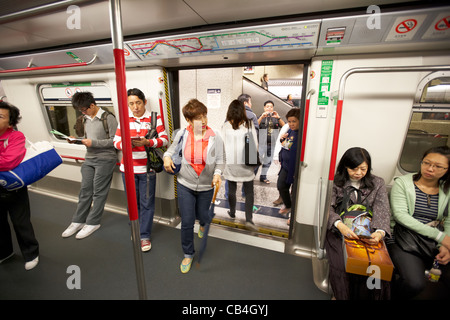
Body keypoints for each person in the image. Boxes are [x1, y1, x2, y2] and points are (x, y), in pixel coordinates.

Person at [163, 99, 224, 273]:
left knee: (203, 215)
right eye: (198, 118)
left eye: (204, 116)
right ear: (189, 121)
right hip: (185, 185)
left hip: (206, 187)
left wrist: (218, 174)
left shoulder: (215, 136)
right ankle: (188, 254)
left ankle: (204, 223)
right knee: (187, 221)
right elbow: (170, 151)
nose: (203, 121)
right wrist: (167, 158)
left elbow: (221, 160)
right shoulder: (182, 134)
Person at [325, 147, 391, 300]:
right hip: (339, 230)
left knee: (376, 267)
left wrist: (379, 232)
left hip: (370, 230)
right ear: (345, 167)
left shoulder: (377, 183)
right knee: (340, 266)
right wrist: (339, 225)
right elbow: (328, 208)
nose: (359, 173)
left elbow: (382, 209)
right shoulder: (336, 182)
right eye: (353, 169)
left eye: (363, 169)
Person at [388, 146, 450, 299]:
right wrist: (440, 237)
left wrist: (444, 246)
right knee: (414, 284)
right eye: (426, 163)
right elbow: (401, 216)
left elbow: (448, 220)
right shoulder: (403, 183)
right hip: (404, 238)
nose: (430, 168)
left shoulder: (447, 189)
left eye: (438, 166)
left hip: (434, 241)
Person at [114, 88, 168, 252]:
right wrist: (127, 145)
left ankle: (144, 235)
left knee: (146, 203)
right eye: (131, 103)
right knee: (132, 202)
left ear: (144, 102)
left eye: (138, 102)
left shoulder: (154, 118)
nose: (135, 107)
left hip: (147, 169)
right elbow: (116, 142)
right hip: (128, 169)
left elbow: (164, 140)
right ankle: (135, 229)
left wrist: (147, 143)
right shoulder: (124, 119)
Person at [62, 92, 118, 239]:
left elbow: (115, 141)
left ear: (92, 105)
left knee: (99, 192)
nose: (83, 112)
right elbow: (88, 138)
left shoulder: (108, 118)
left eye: (84, 109)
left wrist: (93, 143)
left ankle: (93, 222)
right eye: (80, 110)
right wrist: (77, 140)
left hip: (106, 158)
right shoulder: (85, 119)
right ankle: (78, 220)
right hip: (90, 158)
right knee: (85, 190)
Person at [0, 102, 39, 270]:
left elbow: (9, 161)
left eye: (0, 116)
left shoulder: (16, 136)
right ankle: (4, 252)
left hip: (13, 187)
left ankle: (31, 254)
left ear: (10, 123)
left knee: (20, 222)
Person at [221, 100, 258, 230]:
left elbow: (222, 145)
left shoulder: (226, 126)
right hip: (246, 162)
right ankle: (249, 220)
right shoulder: (249, 124)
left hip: (231, 163)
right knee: (249, 192)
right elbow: (255, 143)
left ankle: (232, 212)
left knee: (231, 190)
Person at [277, 108, 300, 215]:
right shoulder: (290, 131)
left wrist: (284, 142)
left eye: (294, 121)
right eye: (289, 121)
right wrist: (282, 140)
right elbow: (286, 145)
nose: (291, 124)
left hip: (295, 169)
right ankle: (289, 205)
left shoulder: (303, 134)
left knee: (296, 193)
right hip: (285, 166)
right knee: (281, 186)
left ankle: (294, 215)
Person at [257, 100, 285, 184]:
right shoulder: (260, 117)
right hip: (261, 144)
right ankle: (251, 177)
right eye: (267, 106)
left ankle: (263, 176)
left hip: (272, 144)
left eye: (271, 107)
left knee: (268, 162)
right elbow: (255, 126)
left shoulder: (276, 118)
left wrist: (278, 118)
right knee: (257, 161)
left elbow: (284, 126)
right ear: (264, 108)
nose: (269, 108)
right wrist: (261, 117)